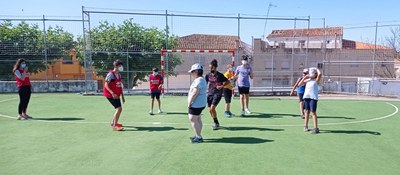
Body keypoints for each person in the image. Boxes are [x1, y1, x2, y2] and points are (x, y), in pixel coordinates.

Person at [205, 59, 229, 130]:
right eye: (209, 67)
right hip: (210, 93)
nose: (210, 69)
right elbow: (204, 83)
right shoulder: (208, 75)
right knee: (210, 110)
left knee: (212, 108)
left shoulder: (220, 75)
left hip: (217, 93)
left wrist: (221, 86)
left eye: (212, 67)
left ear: (215, 67)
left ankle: (216, 123)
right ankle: (216, 122)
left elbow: (227, 81)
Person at [187, 63, 207, 143]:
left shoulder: (199, 80)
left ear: (197, 71)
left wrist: (190, 102)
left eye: (193, 71)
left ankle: (198, 137)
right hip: (200, 103)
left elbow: (195, 92)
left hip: (196, 104)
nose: (192, 73)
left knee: (193, 119)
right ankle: (197, 135)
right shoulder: (200, 79)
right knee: (197, 118)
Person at [104, 60, 126, 131]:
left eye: (121, 66)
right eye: (120, 66)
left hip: (117, 94)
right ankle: (114, 125)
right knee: (119, 109)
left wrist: (122, 96)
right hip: (110, 95)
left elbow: (119, 86)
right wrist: (112, 93)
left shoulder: (119, 74)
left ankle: (114, 122)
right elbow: (106, 84)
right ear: (115, 66)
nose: (121, 67)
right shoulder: (111, 74)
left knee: (119, 109)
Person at [300, 67, 322, 134]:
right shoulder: (308, 80)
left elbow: (320, 74)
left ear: (315, 74)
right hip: (306, 97)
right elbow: (300, 83)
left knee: (313, 112)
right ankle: (305, 126)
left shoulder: (316, 80)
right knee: (307, 112)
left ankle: (315, 128)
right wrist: (306, 76)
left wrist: (316, 69)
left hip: (313, 98)